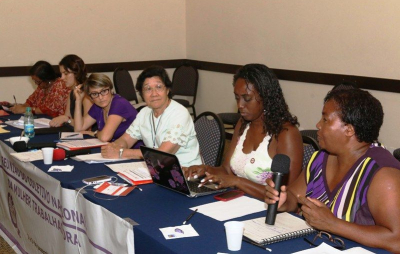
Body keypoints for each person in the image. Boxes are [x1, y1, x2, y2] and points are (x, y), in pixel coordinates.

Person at [265, 89, 400, 252]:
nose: (318, 125)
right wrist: (284, 202)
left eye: (325, 119)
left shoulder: (382, 174)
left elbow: (396, 239)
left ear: (349, 130)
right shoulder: (321, 157)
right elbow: (295, 196)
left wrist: (333, 224)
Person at [184, 64, 303, 200]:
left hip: (270, 211)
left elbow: (286, 196)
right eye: (237, 98)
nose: (240, 105)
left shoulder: (286, 133)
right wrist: (205, 170)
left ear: (266, 97)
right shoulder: (243, 123)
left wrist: (238, 182)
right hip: (240, 202)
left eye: (247, 98)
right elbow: (227, 170)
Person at [101, 65, 202, 166]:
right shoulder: (144, 113)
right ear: (142, 94)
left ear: (167, 90)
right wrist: (114, 147)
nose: (154, 94)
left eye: (158, 87)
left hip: (187, 172)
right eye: (148, 89)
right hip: (156, 169)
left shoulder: (180, 113)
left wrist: (121, 153)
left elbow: (163, 155)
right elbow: (126, 140)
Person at [73, 73, 139, 144]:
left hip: (135, 151)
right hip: (116, 150)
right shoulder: (98, 106)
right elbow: (78, 129)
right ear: (90, 97)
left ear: (111, 90)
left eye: (104, 91)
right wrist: (78, 100)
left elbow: (105, 137)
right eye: (95, 94)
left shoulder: (119, 103)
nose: (100, 97)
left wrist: (95, 133)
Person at [49, 54, 93, 127]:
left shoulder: (87, 94)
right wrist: (64, 119)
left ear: (77, 73)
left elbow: (87, 126)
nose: (62, 78)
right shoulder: (72, 92)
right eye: (61, 74)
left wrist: (67, 120)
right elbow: (67, 117)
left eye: (66, 74)